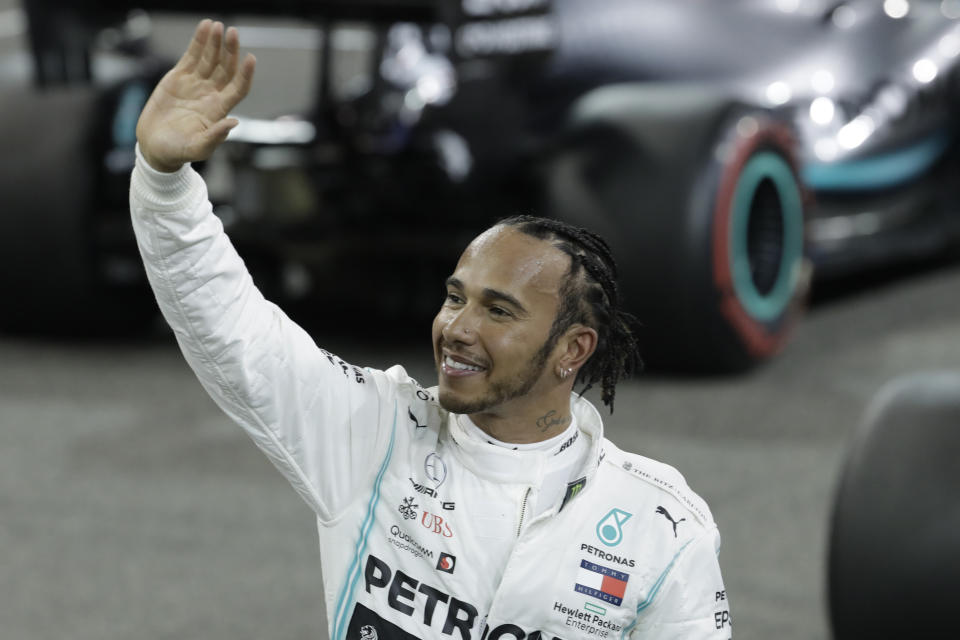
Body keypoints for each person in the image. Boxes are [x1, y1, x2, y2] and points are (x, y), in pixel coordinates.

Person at [131, 19, 733, 640]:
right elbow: (234, 331)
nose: (458, 328)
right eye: (454, 298)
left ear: (573, 350)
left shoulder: (660, 527)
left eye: (499, 311)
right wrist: (164, 180)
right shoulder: (375, 433)